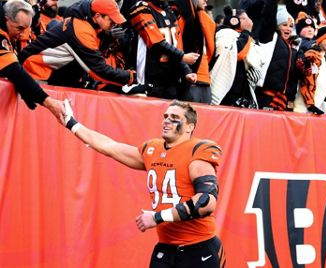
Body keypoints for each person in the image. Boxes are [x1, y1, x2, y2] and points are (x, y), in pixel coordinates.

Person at [62, 99, 226, 267]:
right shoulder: (153, 150)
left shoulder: (196, 151)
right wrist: (72, 124)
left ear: (190, 126)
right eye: (166, 116)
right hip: (167, 247)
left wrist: (157, 217)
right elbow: (110, 146)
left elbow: (205, 202)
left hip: (199, 248)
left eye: (174, 117)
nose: (167, 121)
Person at [19, 0, 136, 89]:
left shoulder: (86, 21)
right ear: (97, 16)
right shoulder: (81, 30)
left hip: (45, 72)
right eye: (111, 20)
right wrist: (130, 77)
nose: (114, 24)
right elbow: (99, 71)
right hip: (34, 73)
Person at [128, 0, 199, 99]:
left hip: (170, 78)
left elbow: (177, 45)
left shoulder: (169, 12)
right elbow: (156, 42)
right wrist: (183, 57)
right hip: (150, 78)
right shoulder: (140, 8)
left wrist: (186, 71)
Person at [0, 0, 65, 123]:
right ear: (7, 19)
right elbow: (14, 70)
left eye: (26, 29)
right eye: (19, 28)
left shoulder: (7, 29)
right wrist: (48, 102)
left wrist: (26, 91)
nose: (22, 34)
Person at [170, 0, 216, 103]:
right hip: (189, 80)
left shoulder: (201, 17)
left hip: (205, 79)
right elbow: (175, 46)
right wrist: (185, 69)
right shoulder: (177, 12)